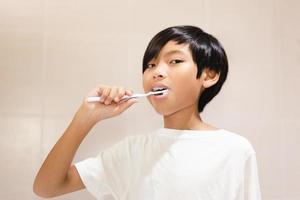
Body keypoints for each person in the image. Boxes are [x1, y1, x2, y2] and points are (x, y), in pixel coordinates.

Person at [33, 25, 262, 200]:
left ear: (209, 75)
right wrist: (86, 117)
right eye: (150, 65)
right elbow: (46, 187)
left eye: (174, 61)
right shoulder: (131, 152)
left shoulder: (235, 150)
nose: (157, 72)